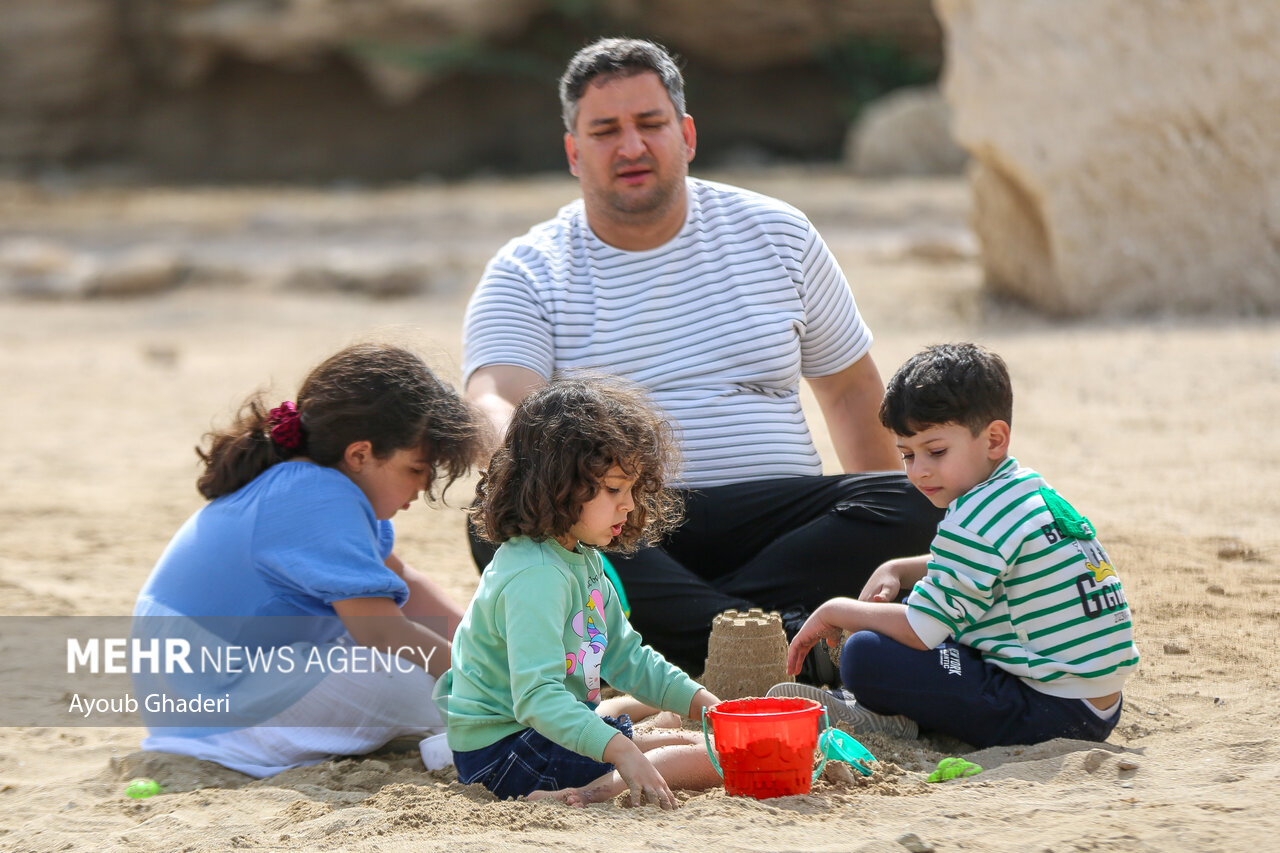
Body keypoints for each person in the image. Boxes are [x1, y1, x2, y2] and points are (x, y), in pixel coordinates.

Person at [461, 36, 942, 678]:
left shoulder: (779, 233)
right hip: (620, 526)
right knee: (499, 519)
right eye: (605, 131)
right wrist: (529, 465)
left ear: (686, 134)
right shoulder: (527, 269)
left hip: (779, 526)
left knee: (919, 501)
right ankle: (778, 646)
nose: (631, 146)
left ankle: (700, 642)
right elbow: (495, 396)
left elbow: (852, 391)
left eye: (650, 123)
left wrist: (889, 544)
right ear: (574, 152)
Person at [131, 343, 485, 777]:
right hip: (211, 705)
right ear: (360, 454)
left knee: (423, 666)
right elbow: (381, 631)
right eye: (416, 469)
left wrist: (486, 651)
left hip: (206, 689)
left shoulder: (314, 485)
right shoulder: (318, 496)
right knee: (412, 681)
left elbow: (405, 585)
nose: (423, 485)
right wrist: (486, 682)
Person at [768, 343, 1140, 748]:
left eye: (936, 452)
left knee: (865, 654)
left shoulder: (975, 518)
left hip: (1051, 710)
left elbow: (920, 631)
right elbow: (980, 564)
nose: (919, 472)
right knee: (911, 603)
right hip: (1096, 701)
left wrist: (835, 610)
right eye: (907, 455)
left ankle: (890, 718)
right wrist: (898, 568)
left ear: (994, 439)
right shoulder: (1021, 489)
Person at [437, 377, 723, 807]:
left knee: (672, 730)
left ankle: (623, 753)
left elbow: (626, 657)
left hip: (535, 734)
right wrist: (623, 751)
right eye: (614, 489)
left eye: (632, 489)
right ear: (559, 485)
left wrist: (709, 707)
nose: (629, 504)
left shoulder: (579, 557)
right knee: (711, 756)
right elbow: (537, 697)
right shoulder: (536, 574)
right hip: (505, 754)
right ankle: (594, 793)